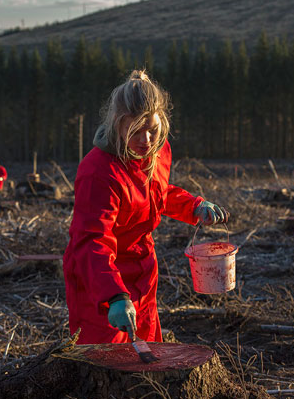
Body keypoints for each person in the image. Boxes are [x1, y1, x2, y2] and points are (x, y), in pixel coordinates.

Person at [62, 70, 229, 345]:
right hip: (101, 277)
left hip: (144, 271)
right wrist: (114, 295)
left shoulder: (156, 153)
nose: (147, 140)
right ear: (118, 124)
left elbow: (157, 194)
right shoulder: (98, 172)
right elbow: (92, 240)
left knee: (148, 351)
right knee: (107, 360)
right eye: (137, 130)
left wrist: (195, 206)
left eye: (152, 129)